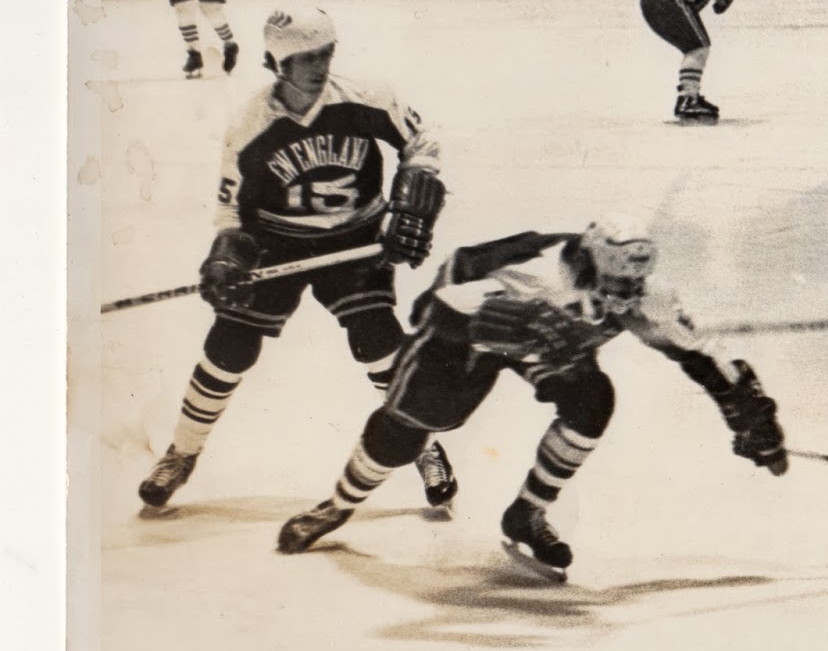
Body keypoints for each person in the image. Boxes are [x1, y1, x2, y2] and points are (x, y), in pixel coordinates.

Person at [276, 219, 789, 582]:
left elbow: (699, 356)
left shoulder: (642, 295)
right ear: (590, 261)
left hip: (543, 346)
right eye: (614, 283)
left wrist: (750, 412)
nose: (624, 298)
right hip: (470, 332)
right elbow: (447, 290)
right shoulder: (535, 265)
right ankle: (337, 507)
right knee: (412, 425)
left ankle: (527, 514)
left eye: (633, 284)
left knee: (593, 399)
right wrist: (503, 320)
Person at [137, 7, 457, 512]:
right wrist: (226, 256)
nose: (318, 65)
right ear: (276, 63)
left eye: (325, 52)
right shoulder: (250, 124)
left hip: (355, 239)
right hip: (277, 242)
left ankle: (424, 447)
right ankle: (181, 453)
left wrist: (415, 191)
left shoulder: (367, 97)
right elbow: (230, 208)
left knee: (377, 340)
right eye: (304, 56)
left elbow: (422, 141)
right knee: (230, 346)